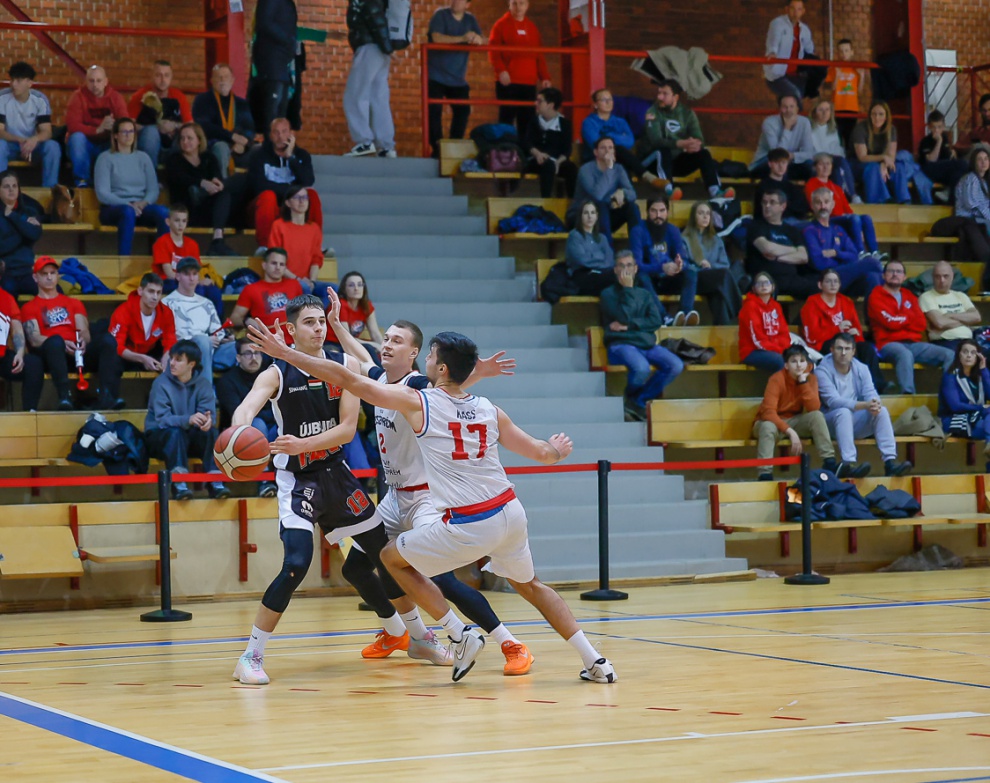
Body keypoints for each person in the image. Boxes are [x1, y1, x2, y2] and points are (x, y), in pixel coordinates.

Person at [246, 322, 619, 685]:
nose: (424, 357)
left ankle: (463, 634)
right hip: (509, 510)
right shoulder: (489, 408)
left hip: (465, 518)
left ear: (440, 367)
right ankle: (595, 660)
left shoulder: (419, 400)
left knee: (394, 560)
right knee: (532, 586)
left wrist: (286, 354)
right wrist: (556, 448)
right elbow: (542, 453)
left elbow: (348, 379)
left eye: (429, 354)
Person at [231, 295, 452, 685]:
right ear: (291, 330)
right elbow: (246, 409)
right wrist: (240, 434)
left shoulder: (344, 366)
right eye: (309, 322)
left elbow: (347, 430)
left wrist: (301, 443)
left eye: (321, 321)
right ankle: (251, 655)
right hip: (298, 481)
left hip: (337, 475)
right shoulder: (277, 373)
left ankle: (418, 637)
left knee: (385, 557)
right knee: (296, 564)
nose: (318, 328)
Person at [326, 299, 536, 675]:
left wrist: (478, 371)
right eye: (385, 338)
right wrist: (338, 326)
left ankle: (509, 642)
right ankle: (399, 633)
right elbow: (360, 353)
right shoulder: (381, 380)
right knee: (356, 568)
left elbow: (451, 389)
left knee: (438, 577)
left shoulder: (418, 387)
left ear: (414, 354)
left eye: (397, 340)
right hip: (394, 496)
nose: (386, 344)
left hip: (425, 498)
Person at [21, 257, 116, 411]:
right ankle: (65, 396)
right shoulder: (29, 307)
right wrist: (63, 343)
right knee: (56, 342)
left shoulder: (74, 303)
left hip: (77, 353)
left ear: (58, 275)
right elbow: (35, 339)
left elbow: (84, 331)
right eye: (44, 274)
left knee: (108, 340)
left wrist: (82, 342)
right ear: (35, 277)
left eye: (53, 273)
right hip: (52, 355)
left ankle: (107, 395)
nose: (49, 277)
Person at [601, 250, 683, 422]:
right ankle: (634, 403)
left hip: (646, 343)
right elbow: (622, 317)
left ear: (636, 268)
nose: (626, 270)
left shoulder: (645, 294)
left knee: (675, 365)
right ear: (615, 269)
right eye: (621, 266)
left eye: (629, 265)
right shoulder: (608, 294)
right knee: (641, 368)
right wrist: (628, 289)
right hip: (620, 344)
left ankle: (636, 401)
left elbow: (655, 321)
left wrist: (629, 326)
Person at [817, 332, 912, 478]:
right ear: (832, 350)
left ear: (853, 351)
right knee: (843, 412)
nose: (843, 353)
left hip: (853, 421)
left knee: (881, 411)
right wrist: (863, 405)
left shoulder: (861, 368)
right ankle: (849, 463)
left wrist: (874, 404)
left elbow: (870, 392)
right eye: (839, 348)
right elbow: (833, 401)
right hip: (829, 423)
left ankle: (890, 462)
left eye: (847, 349)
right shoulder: (821, 370)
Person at [145, 339, 229, 501]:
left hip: (188, 436)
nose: (172, 363)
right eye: (171, 358)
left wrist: (207, 422)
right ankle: (179, 484)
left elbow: (209, 414)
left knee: (211, 433)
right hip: (160, 437)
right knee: (175, 433)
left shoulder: (203, 384)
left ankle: (215, 481)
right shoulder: (160, 384)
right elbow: (162, 420)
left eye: (178, 360)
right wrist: (188, 419)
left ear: (191, 364)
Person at [867, 260, 954, 394]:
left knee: (950, 355)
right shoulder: (875, 295)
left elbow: (921, 323)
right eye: (891, 271)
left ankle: (949, 394)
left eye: (899, 272)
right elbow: (890, 322)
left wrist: (899, 319)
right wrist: (908, 318)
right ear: (883, 276)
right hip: (887, 344)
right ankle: (908, 395)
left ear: (904, 277)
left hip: (913, 343)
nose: (895, 274)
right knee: (905, 354)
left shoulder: (910, 296)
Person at [753, 344, 838, 481]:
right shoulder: (776, 379)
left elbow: (814, 407)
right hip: (769, 422)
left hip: (794, 420)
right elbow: (768, 413)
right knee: (768, 427)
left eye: (802, 361)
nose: (799, 365)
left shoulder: (811, 378)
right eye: (794, 361)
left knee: (817, 416)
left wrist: (803, 382)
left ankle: (830, 463)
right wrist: (790, 432)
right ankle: (765, 474)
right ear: (786, 365)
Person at [642, 78, 730, 199]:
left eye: (665, 94)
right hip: (652, 163)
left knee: (704, 153)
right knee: (663, 151)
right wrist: (680, 144)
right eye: (659, 93)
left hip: (675, 162)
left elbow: (699, 139)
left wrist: (693, 145)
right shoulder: (652, 112)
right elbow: (656, 141)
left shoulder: (687, 113)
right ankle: (668, 190)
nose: (660, 97)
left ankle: (715, 191)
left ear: (676, 97)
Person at [801, 268, 886, 392]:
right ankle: (855, 388)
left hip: (846, 341)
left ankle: (877, 386)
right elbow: (812, 336)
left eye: (836, 281)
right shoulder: (811, 304)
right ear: (820, 285)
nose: (833, 284)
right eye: (828, 281)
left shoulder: (846, 302)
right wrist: (837, 329)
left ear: (840, 285)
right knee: (846, 349)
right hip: (822, 344)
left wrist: (855, 336)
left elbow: (856, 328)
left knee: (866, 348)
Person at [164, 122, 242, 256]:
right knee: (193, 189)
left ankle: (218, 239)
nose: (185, 142)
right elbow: (180, 178)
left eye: (189, 138)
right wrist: (201, 183)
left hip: (206, 207)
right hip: (185, 209)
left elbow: (216, 176)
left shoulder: (208, 158)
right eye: (182, 138)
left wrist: (216, 183)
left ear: (199, 140)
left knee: (225, 192)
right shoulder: (174, 160)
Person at [94, 117, 170, 256]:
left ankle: (163, 260)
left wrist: (144, 202)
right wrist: (127, 204)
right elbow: (102, 193)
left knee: (163, 212)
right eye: (124, 132)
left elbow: (153, 189)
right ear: (115, 135)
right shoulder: (105, 158)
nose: (128, 135)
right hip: (114, 208)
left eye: (131, 131)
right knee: (127, 212)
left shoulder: (143, 158)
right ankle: (123, 260)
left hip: (140, 207)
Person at [246, 117, 322, 253]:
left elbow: (308, 181)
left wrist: (291, 158)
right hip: (264, 207)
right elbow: (258, 186)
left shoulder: (302, 155)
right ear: (270, 135)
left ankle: (315, 246)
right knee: (268, 196)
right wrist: (291, 193)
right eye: (276, 132)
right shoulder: (258, 155)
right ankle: (266, 247)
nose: (280, 136)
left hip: (292, 207)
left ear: (291, 133)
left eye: (284, 131)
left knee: (312, 195)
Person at [216, 337, 277, 498]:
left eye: (257, 353)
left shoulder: (269, 376)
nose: (253, 358)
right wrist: (266, 415)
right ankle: (264, 481)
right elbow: (237, 412)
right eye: (248, 354)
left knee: (288, 426)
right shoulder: (227, 381)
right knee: (257, 424)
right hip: (240, 434)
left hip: (272, 428)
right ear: (238, 358)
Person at [106, 273, 177, 408]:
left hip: (150, 351)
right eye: (151, 291)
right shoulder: (123, 311)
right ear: (140, 291)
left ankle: (171, 405)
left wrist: (166, 358)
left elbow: (170, 340)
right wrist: (142, 359)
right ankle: (111, 400)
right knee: (111, 357)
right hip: (126, 356)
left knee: (175, 358)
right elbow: (116, 346)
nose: (155, 297)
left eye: (158, 293)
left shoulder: (166, 312)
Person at [628, 196, 700, 324]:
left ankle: (685, 315)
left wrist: (679, 265)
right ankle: (665, 318)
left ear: (667, 212)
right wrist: (661, 267)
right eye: (654, 211)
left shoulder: (673, 230)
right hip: (649, 282)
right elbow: (637, 265)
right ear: (647, 212)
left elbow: (683, 259)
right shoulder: (638, 231)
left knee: (691, 272)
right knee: (640, 276)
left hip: (669, 279)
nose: (658, 215)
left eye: (662, 211)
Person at [426, 0, 484, 159]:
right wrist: (463, 38)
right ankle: (437, 149)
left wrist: (478, 39)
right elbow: (436, 37)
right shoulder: (440, 15)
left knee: (463, 110)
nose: (455, 1)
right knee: (433, 112)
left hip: (458, 79)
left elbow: (484, 39)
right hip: (436, 76)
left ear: (467, 4)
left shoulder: (470, 19)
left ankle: (453, 145)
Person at [488, 0, 551, 142]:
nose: (518, 7)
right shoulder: (500, 25)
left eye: (521, 3)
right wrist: (501, 70)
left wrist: (544, 77)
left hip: (528, 82)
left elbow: (539, 55)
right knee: (506, 119)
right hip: (508, 81)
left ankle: (525, 152)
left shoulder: (532, 27)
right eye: (514, 3)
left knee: (527, 120)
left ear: (527, 5)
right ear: (509, 4)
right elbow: (493, 51)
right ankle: (505, 151)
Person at [803, 186, 883, 297]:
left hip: (844, 277)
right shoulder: (809, 231)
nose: (823, 206)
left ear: (833, 204)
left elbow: (854, 255)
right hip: (824, 278)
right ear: (812, 206)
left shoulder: (838, 229)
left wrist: (836, 253)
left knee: (873, 277)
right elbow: (819, 263)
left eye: (826, 202)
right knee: (873, 263)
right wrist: (844, 261)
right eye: (818, 203)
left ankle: (877, 308)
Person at [851, 101, 933, 205]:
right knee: (874, 168)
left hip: (881, 162)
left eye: (881, 114)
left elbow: (891, 156)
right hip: (860, 164)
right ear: (869, 115)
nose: (877, 117)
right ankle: (879, 203)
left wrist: (883, 164)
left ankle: (904, 201)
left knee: (898, 167)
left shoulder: (891, 129)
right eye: (874, 114)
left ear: (886, 116)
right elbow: (862, 157)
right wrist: (883, 159)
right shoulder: (861, 129)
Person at [804, 152, 884, 259]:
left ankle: (875, 252)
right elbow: (814, 204)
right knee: (854, 219)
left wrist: (856, 222)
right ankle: (860, 252)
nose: (825, 167)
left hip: (842, 218)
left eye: (828, 164)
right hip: (827, 219)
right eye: (821, 164)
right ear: (815, 167)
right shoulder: (811, 183)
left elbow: (847, 208)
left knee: (866, 218)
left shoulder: (836, 187)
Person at [151, 203, 224, 318]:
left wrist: (200, 280)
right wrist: (194, 281)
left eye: (184, 221)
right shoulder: (161, 242)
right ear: (168, 222)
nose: (180, 225)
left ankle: (218, 325)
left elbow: (196, 270)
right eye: (177, 220)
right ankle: (196, 322)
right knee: (197, 290)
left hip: (189, 281)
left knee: (214, 291)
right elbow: (169, 273)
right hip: (168, 282)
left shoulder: (192, 244)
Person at [343, 0, 396, 157]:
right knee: (378, 98)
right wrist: (387, 48)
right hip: (379, 50)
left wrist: (387, 47)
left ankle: (364, 141)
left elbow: (375, 17)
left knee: (355, 96)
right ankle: (386, 145)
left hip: (369, 48)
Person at [162, 257, 229, 379]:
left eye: (195, 274)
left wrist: (218, 338)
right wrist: (205, 341)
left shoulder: (207, 303)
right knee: (202, 341)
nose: (192, 278)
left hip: (210, 349)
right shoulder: (167, 303)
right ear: (178, 276)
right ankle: (206, 390)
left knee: (244, 348)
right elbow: (169, 336)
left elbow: (218, 331)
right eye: (187, 274)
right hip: (182, 351)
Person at [581, 88, 662, 187]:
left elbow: (630, 141)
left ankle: (628, 192)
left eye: (610, 99)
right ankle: (645, 175)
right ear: (595, 104)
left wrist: (608, 136)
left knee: (621, 162)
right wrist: (618, 137)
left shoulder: (620, 121)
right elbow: (597, 144)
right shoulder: (589, 122)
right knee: (618, 151)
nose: (608, 102)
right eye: (603, 100)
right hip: (596, 159)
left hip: (618, 158)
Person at [745, 188, 818, 299]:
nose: (767, 206)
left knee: (819, 288)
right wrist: (793, 249)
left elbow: (803, 257)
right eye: (764, 202)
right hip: (766, 278)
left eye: (772, 202)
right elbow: (767, 249)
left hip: (791, 279)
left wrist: (777, 257)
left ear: (783, 206)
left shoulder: (792, 230)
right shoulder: (755, 226)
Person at [567, 137, 640, 244]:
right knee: (601, 205)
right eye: (603, 148)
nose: (607, 151)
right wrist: (609, 169)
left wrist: (623, 192)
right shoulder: (585, 170)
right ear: (595, 152)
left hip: (604, 218)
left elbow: (633, 194)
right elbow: (598, 195)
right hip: (581, 216)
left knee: (632, 207)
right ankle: (607, 251)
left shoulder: (619, 169)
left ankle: (637, 249)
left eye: (610, 148)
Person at [681, 201, 743, 325]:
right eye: (701, 213)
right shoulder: (684, 238)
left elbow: (725, 264)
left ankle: (723, 329)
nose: (705, 216)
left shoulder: (717, 240)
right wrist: (699, 265)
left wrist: (711, 266)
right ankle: (742, 309)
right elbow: (683, 263)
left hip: (715, 281)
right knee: (724, 276)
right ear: (693, 216)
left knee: (719, 297)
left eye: (708, 214)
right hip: (696, 280)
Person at [65, 65, 128, 187]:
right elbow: (72, 126)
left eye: (99, 81)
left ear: (105, 82)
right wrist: (97, 129)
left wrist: (115, 126)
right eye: (91, 81)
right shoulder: (77, 97)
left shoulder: (115, 98)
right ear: (86, 82)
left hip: (106, 143)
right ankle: (82, 182)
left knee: (122, 138)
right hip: (85, 145)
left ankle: (116, 182)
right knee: (77, 138)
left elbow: (125, 123)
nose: (95, 85)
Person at [0, 61, 61, 187]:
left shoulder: (40, 100)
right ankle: (2, 188)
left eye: (18, 80)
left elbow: (47, 131)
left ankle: (50, 189)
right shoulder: (2, 97)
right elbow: (0, 131)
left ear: (29, 83)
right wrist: (20, 140)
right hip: (10, 145)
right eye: (12, 80)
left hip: (32, 146)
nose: (13, 84)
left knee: (52, 147)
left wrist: (34, 140)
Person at [268, 185, 330, 306]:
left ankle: (315, 315)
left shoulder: (314, 228)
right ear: (288, 203)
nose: (302, 201)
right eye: (297, 197)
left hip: (307, 280)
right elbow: (275, 259)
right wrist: (297, 279)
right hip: (286, 279)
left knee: (333, 290)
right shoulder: (279, 225)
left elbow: (316, 259)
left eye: (305, 197)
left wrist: (312, 281)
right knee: (304, 288)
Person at [192, 63, 256, 176]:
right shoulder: (202, 100)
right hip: (212, 145)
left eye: (226, 77)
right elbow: (204, 126)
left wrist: (244, 145)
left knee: (259, 150)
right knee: (221, 147)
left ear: (232, 80)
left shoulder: (242, 103)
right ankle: (222, 185)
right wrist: (231, 136)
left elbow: (249, 128)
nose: (222, 80)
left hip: (238, 148)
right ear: (211, 80)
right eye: (218, 77)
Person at [230, 247, 304, 344]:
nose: (278, 267)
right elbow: (234, 319)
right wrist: (246, 320)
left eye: (282, 264)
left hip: (295, 344)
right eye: (274, 263)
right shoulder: (250, 289)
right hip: (267, 345)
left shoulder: (294, 285)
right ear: (264, 265)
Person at [127, 60, 193, 164]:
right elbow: (127, 126)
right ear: (152, 76)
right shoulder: (140, 96)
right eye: (158, 75)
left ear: (171, 77)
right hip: (147, 143)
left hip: (173, 143)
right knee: (151, 132)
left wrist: (174, 125)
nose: (163, 80)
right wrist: (157, 127)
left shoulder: (179, 96)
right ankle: (149, 172)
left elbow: (191, 126)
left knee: (184, 134)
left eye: (166, 75)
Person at [939, 339, 990, 470]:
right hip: (953, 419)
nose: (968, 355)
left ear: (978, 357)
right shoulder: (950, 376)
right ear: (959, 355)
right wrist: (981, 408)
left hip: (978, 418)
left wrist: (984, 370)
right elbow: (955, 406)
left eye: (973, 353)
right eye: (965, 352)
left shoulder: (979, 376)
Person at [250, 0, 298, 132]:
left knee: (280, 106)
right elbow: (264, 23)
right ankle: (271, 141)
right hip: (271, 60)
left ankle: (277, 140)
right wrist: (287, 40)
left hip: (280, 61)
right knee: (273, 107)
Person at [522, 87, 577, 198]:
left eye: (540, 101)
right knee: (548, 165)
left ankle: (573, 203)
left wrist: (558, 162)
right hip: (536, 160)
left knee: (571, 168)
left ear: (550, 105)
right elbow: (527, 143)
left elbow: (567, 149)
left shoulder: (565, 124)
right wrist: (538, 154)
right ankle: (546, 201)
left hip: (557, 161)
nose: (536, 103)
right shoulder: (533, 121)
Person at [0, 276, 43, 411]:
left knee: (33, 363)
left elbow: (17, 328)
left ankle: (29, 414)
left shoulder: (6, 298)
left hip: (1, 356)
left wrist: (19, 353)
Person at [918, 260, 981, 351]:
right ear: (933, 278)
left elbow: (977, 317)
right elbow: (940, 323)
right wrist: (966, 321)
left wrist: (949, 315)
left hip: (969, 341)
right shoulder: (926, 297)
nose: (942, 280)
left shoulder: (961, 295)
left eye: (945, 276)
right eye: (937, 276)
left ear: (952, 277)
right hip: (945, 342)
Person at [0, 169, 43, 297]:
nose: (11, 190)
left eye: (14, 186)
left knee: (54, 289)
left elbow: (35, 234)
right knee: (7, 291)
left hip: (27, 272)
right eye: (6, 186)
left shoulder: (30, 211)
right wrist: (25, 228)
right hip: (6, 273)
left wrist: (12, 216)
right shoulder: (26, 219)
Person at [750, 96, 814, 180]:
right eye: (785, 107)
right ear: (779, 109)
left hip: (791, 161)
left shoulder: (804, 122)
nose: (788, 110)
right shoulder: (769, 122)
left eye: (791, 106)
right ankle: (780, 188)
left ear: (797, 108)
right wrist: (787, 128)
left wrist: (792, 155)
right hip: (765, 161)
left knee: (810, 166)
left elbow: (809, 153)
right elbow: (777, 155)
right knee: (780, 165)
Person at [739, 271, 792, 374]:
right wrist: (779, 350)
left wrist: (784, 349)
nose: (763, 286)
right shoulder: (750, 306)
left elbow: (784, 332)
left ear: (773, 287)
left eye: (767, 283)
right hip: (752, 351)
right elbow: (757, 338)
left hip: (774, 349)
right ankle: (781, 385)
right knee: (779, 360)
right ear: (754, 288)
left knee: (802, 359)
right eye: (759, 283)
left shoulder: (776, 306)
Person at [764, 0, 814, 100]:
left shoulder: (805, 30)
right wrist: (772, 53)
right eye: (792, 9)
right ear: (787, 9)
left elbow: (809, 50)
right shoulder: (777, 24)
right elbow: (773, 41)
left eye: (799, 9)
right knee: (794, 96)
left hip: (797, 74)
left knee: (795, 101)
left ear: (803, 11)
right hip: (778, 74)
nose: (796, 13)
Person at [809, 98, 857, 201]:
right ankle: (849, 196)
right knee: (834, 165)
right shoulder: (808, 128)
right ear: (814, 112)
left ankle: (844, 197)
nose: (824, 113)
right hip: (816, 159)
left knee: (838, 168)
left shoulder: (834, 129)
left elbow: (838, 150)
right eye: (821, 110)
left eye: (827, 110)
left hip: (832, 159)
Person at [564, 200, 614, 296]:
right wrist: (600, 258)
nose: (590, 216)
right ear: (580, 216)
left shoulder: (602, 238)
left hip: (600, 274)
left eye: (592, 213)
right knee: (614, 279)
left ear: (597, 216)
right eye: (586, 213)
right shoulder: (574, 236)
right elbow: (583, 261)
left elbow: (610, 261)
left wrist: (592, 257)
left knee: (624, 277)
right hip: (581, 276)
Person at [328, 270, 383, 352]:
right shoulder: (340, 305)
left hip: (352, 342)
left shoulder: (366, 305)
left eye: (360, 285)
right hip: (333, 343)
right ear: (344, 289)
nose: (356, 288)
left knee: (373, 349)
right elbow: (346, 338)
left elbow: (375, 334)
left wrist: (384, 349)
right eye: (351, 285)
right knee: (369, 348)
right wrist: (374, 344)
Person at [917, 110, 969, 196]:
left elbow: (948, 157)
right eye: (933, 127)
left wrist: (952, 153)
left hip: (943, 169)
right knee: (963, 163)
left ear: (944, 126)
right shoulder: (925, 141)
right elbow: (931, 160)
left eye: (939, 127)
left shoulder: (945, 138)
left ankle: (950, 199)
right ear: (929, 127)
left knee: (958, 174)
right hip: (929, 169)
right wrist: (939, 142)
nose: (936, 130)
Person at [825, 38, 866, 143]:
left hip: (852, 108)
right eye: (841, 51)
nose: (844, 54)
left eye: (846, 50)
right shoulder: (834, 68)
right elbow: (831, 89)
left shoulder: (856, 68)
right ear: (838, 53)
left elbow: (859, 92)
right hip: (837, 107)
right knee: (836, 136)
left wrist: (862, 76)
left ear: (852, 52)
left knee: (850, 137)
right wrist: (837, 76)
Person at [753, 148, 810, 223]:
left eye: (783, 162)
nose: (781, 166)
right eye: (777, 162)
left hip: (793, 221)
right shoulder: (763, 186)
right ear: (770, 164)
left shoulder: (791, 187)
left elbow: (802, 207)